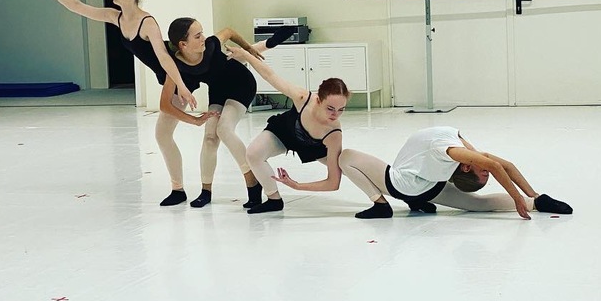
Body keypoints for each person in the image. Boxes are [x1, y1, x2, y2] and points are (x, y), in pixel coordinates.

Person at [16, 0, 216, 206]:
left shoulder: (147, 22)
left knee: (163, 135)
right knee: (163, 135)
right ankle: (178, 189)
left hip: (178, 72)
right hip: (170, 76)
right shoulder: (116, 17)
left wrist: (181, 86)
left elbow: (164, 57)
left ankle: (180, 189)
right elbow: (76, 6)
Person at [167, 17, 295, 209]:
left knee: (224, 129)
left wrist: (249, 48)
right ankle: (205, 191)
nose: (203, 38)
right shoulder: (176, 64)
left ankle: (252, 181)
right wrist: (193, 118)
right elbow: (165, 102)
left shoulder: (211, 45)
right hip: (218, 90)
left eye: (202, 33)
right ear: (183, 44)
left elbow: (228, 31)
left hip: (241, 84)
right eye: (197, 36)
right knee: (210, 137)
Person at [338, 126, 572, 219]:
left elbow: (503, 166)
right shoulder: (459, 152)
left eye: (483, 171)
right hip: (427, 188)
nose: (487, 168)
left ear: (467, 167)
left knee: (346, 157)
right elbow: (502, 166)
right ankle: (535, 204)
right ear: (467, 166)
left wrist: (530, 196)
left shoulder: (456, 150)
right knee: (478, 204)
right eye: (485, 171)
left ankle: (381, 205)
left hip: (404, 186)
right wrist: (523, 197)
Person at [225, 44, 349, 214]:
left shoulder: (334, 132)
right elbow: (270, 75)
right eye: (330, 108)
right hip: (285, 132)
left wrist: (298, 186)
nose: (335, 114)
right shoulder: (302, 98)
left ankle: (382, 191)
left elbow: (334, 181)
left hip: (312, 145)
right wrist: (245, 54)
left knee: (346, 165)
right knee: (253, 154)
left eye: (341, 109)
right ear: (319, 100)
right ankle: (273, 199)